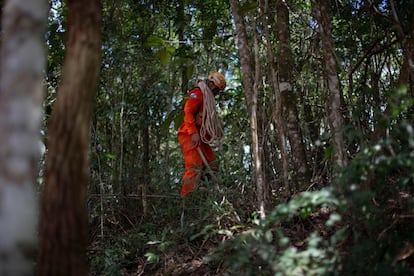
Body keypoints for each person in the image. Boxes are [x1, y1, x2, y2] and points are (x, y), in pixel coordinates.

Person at [178, 72, 226, 197]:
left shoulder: (207, 99)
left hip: (201, 137)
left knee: (213, 163)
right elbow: (188, 112)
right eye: (216, 89)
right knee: (194, 166)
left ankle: (205, 195)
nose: (216, 93)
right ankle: (186, 199)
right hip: (189, 134)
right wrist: (193, 133)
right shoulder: (197, 94)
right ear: (211, 84)